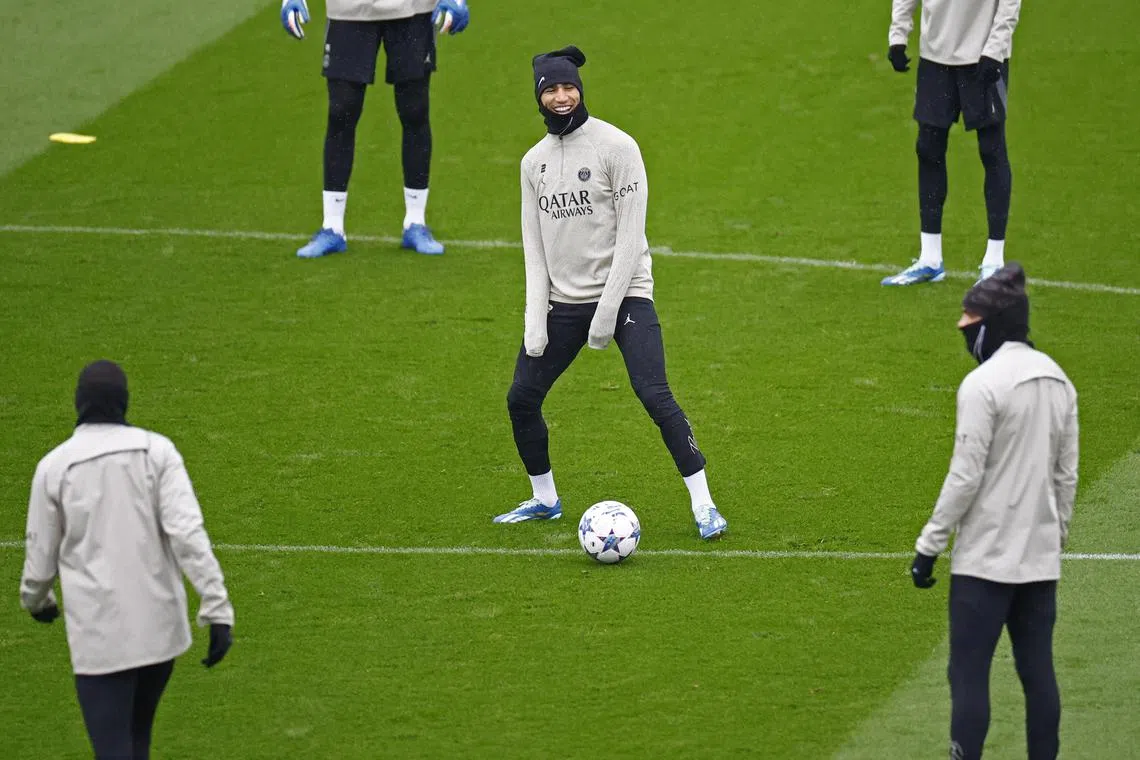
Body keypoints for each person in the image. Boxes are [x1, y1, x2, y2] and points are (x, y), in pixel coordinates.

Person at [495, 46, 727, 540]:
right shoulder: (532, 163)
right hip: (564, 302)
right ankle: (544, 499)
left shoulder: (617, 147)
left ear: (580, 88)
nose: (561, 97)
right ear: (538, 96)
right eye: (550, 89)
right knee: (522, 397)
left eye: (567, 87)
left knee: (653, 392)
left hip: (626, 297)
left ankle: (704, 504)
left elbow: (629, 238)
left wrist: (605, 313)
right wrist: (536, 319)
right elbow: (533, 248)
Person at [20, 360, 235, 760]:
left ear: (79, 403)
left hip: (101, 640)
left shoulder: (53, 467)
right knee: (137, 742)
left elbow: (39, 559)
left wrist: (37, 602)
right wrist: (217, 607)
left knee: (114, 750)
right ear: (125, 402)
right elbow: (187, 533)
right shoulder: (157, 452)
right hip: (159, 635)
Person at [910, 264, 1078, 760]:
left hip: (983, 563)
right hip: (1039, 562)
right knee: (1038, 674)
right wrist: (1054, 538)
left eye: (971, 319)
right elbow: (1065, 478)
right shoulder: (1059, 381)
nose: (965, 329)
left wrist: (928, 547)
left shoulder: (982, 385)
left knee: (968, 673)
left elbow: (965, 477)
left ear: (994, 323)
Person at [281, 0, 470, 258]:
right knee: (341, 112)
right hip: (348, 10)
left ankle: (416, 222)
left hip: (412, 10)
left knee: (414, 110)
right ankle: (332, 226)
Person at [882, 0, 1022, 286]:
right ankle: (930, 259)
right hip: (935, 58)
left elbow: (1010, 3)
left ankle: (994, 261)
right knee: (928, 149)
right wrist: (898, 35)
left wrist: (995, 50)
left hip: (983, 55)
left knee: (991, 150)